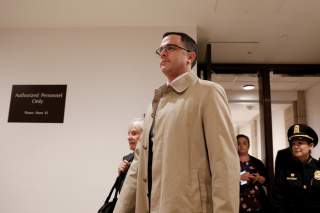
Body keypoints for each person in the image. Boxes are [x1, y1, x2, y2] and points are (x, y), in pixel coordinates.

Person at [114, 32, 239, 213]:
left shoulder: (208, 93)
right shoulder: (154, 104)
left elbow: (224, 163)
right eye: (161, 50)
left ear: (190, 56)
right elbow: (138, 166)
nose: (163, 53)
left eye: (170, 48)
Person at [272, 123, 320, 213]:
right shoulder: (285, 169)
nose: (295, 146)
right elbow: (278, 198)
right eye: (293, 143)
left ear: (311, 146)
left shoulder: (318, 167)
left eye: (300, 143)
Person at [237, 134, 269, 213]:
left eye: (244, 143)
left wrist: (259, 178)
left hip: (257, 203)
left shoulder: (257, 162)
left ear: (248, 145)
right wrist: (239, 178)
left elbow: (266, 180)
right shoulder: (230, 163)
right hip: (238, 204)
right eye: (238, 143)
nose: (241, 145)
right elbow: (225, 181)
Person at [117, 118, 144, 191]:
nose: (129, 137)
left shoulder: (152, 158)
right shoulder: (127, 158)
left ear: (144, 136)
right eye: (128, 134)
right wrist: (121, 175)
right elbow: (122, 192)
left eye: (134, 133)